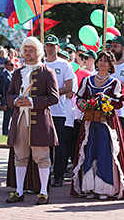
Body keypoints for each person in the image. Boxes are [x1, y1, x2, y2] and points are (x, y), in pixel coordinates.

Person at [73, 49, 124, 199]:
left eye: (105, 61)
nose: (102, 63)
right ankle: (89, 187)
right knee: (89, 152)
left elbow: (119, 102)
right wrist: (86, 105)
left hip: (107, 123)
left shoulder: (115, 83)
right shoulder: (87, 80)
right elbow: (79, 98)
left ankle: (104, 188)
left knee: (105, 152)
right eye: (100, 60)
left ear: (110, 65)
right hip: (90, 122)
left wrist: (106, 100)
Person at [6, 36, 59, 203]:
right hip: (20, 118)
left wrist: (33, 102)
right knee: (19, 155)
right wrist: (16, 101)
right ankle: (19, 191)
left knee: (42, 156)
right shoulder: (17, 73)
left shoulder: (47, 72)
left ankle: (43, 192)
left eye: (31, 50)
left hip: (39, 120)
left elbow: (53, 97)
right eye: (26, 50)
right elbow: (8, 95)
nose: (28, 53)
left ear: (38, 52)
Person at [43, 40, 75, 187]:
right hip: (42, 109)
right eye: (47, 45)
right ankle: (44, 174)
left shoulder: (65, 65)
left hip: (58, 111)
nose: (49, 48)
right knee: (43, 144)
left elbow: (69, 87)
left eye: (52, 45)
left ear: (57, 47)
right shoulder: (41, 63)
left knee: (59, 144)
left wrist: (52, 95)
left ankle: (59, 175)